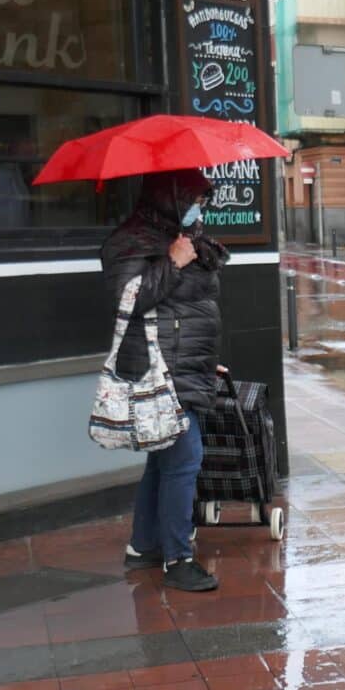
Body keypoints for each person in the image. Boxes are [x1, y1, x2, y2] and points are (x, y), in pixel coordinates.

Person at [101, 169, 229, 592]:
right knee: (184, 458)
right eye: (191, 198)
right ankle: (178, 558)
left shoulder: (186, 235)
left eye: (201, 199)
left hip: (186, 364)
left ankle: (143, 546)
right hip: (159, 368)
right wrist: (172, 263)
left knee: (163, 459)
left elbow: (189, 312)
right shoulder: (130, 242)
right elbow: (129, 300)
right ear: (166, 197)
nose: (199, 206)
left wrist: (206, 363)